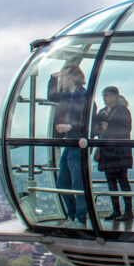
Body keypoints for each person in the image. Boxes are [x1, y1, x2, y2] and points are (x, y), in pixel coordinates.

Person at [48, 64, 90, 226]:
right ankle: (73, 216)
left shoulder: (84, 96)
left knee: (78, 183)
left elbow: (89, 122)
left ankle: (80, 218)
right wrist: (53, 78)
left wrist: (71, 127)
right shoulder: (66, 95)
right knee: (63, 183)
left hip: (78, 144)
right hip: (69, 142)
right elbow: (52, 96)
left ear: (72, 78)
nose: (62, 81)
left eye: (64, 77)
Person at [93, 86, 134, 222]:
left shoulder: (122, 111)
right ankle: (116, 210)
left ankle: (128, 211)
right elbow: (95, 128)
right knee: (111, 182)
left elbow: (126, 129)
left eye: (107, 95)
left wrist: (107, 128)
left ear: (115, 96)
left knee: (122, 181)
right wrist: (101, 129)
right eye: (104, 95)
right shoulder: (102, 112)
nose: (105, 98)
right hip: (108, 152)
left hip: (119, 152)